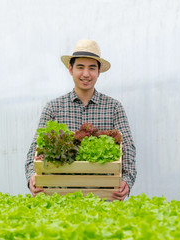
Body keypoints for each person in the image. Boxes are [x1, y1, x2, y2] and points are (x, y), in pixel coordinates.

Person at [25, 39, 136, 201]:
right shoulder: (53, 108)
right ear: (70, 69)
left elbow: (128, 147)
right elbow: (35, 148)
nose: (86, 74)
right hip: (59, 195)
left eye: (92, 68)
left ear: (99, 72)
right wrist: (31, 177)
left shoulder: (113, 107)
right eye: (80, 67)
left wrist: (127, 179)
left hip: (103, 195)